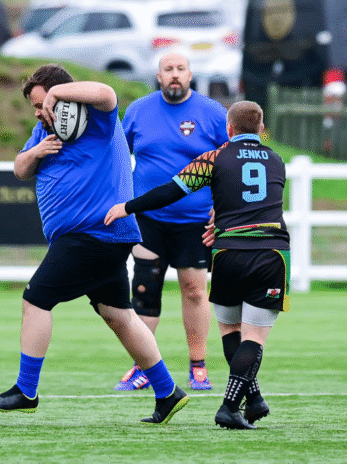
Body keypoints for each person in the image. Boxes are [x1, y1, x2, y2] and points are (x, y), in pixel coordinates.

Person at [0, 64, 189, 424]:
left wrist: (58, 94)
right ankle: (168, 392)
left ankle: (25, 391)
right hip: (91, 237)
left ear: (62, 97)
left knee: (35, 300)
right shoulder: (44, 130)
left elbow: (107, 94)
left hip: (94, 234)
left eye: (41, 103)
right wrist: (37, 151)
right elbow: (20, 169)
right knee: (118, 315)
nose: (38, 111)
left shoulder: (96, 119)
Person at [105, 101, 290, 429]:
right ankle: (230, 406)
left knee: (230, 330)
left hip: (227, 253)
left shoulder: (213, 158)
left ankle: (253, 398)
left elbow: (170, 191)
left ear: (228, 129)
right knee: (254, 337)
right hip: (269, 254)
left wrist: (129, 206)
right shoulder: (276, 161)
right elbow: (258, 200)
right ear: (261, 130)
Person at [114, 50, 228, 392]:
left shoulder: (212, 112)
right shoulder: (138, 110)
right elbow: (118, 157)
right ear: (159, 76)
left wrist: (220, 207)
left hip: (195, 221)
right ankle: (143, 368)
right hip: (148, 219)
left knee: (194, 290)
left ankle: (198, 367)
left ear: (190, 75)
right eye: (168, 69)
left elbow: (230, 164)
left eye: (181, 68)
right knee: (144, 290)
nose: (174, 74)